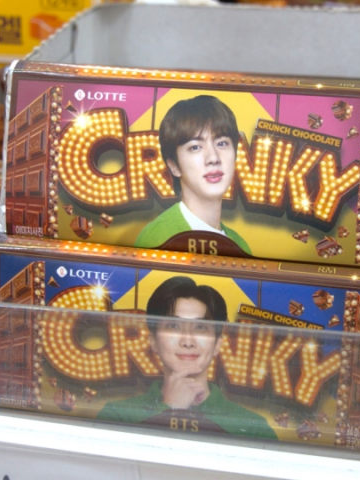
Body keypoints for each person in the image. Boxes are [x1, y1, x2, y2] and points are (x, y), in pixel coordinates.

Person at [97, 276, 277, 440]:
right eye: (174, 326)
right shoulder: (117, 415)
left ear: (217, 344)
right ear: (153, 341)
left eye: (201, 328)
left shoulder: (253, 427)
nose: (188, 341)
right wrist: (170, 409)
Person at [134, 96, 251, 255]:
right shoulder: (158, 238)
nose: (213, 158)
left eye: (222, 143)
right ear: (174, 166)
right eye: (195, 147)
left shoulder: (240, 245)